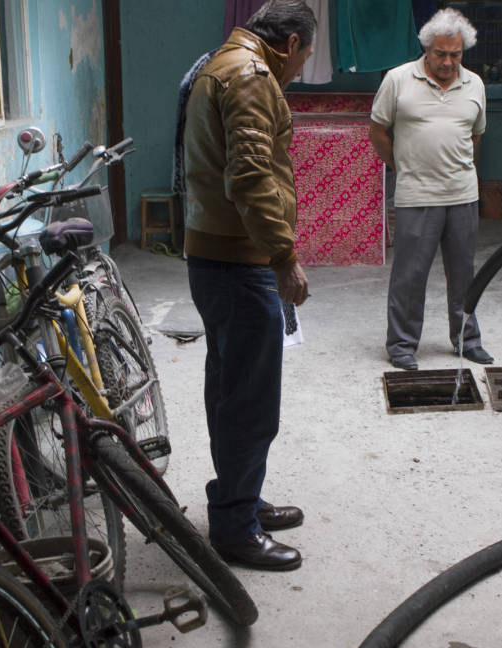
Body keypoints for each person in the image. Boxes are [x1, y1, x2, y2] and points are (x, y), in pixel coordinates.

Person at [181, 0, 315, 571]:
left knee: (231, 388)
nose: (299, 70)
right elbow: (252, 175)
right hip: (239, 262)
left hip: (215, 255)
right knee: (250, 400)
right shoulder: (251, 75)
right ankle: (236, 526)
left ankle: (240, 498)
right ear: (289, 42)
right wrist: (282, 255)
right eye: (303, 59)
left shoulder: (222, 62)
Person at [369, 7, 494, 371]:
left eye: (455, 54)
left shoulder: (475, 84)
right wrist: (402, 166)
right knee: (409, 276)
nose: (448, 61)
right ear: (426, 48)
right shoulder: (397, 79)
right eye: (441, 53)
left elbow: (476, 135)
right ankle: (403, 345)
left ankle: (467, 340)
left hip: (462, 196)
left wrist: (461, 169)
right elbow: (378, 131)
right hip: (416, 195)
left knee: (464, 276)